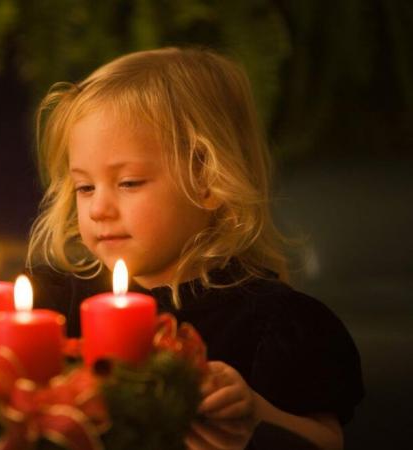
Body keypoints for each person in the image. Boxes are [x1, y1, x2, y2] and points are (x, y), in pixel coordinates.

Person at [25, 47, 364, 450]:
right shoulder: (51, 310)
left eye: (129, 182)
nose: (98, 208)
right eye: (84, 187)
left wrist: (257, 414)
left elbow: (328, 440)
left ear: (208, 180)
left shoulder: (276, 326)